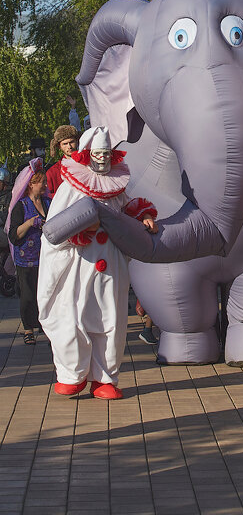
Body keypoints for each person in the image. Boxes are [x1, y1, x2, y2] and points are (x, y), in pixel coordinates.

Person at [38, 127, 158, 399]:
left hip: (111, 264)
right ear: (87, 154)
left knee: (111, 319)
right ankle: (73, 374)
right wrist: (79, 233)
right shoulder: (71, 185)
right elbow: (56, 228)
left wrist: (144, 216)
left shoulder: (115, 185)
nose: (102, 158)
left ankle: (105, 379)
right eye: (97, 153)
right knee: (74, 315)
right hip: (80, 262)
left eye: (106, 153)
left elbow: (127, 207)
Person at [5, 159, 51, 345]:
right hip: (26, 257)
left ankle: (45, 324)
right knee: (28, 294)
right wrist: (30, 223)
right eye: (43, 182)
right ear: (31, 184)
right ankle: (28, 328)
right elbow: (13, 234)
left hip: (46, 256)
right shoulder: (21, 206)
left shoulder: (48, 203)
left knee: (45, 293)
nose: (46, 185)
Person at [46, 124, 79, 197]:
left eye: (71, 142)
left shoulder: (87, 164)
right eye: (65, 144)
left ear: (77, 141)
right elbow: (47, 196)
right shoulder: (52, 172)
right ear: (59, 146)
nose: (69, 147)